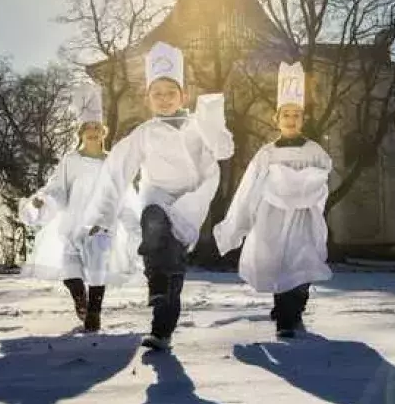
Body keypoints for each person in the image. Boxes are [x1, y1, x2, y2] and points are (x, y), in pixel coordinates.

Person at [84, 41, 233, 350]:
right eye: (157, 94)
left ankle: (162, 331)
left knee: (174, 272)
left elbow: (223, 150)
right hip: (157, 198)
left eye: (170, 93)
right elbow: (116, 170)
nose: (164, 99)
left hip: (189, 204)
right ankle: (155, 281)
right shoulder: (145, 132)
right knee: (153, 221)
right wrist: (101, 218)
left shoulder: (197, 127)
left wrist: (213, 121)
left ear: (183, 95)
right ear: (148, 98)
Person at [214, 61, 333, 338]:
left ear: (303, 118)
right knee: (279, 264)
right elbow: (249, 186)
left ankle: (293, 310)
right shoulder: (267, 153)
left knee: (301, 264)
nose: (291, 119)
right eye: (286, 114)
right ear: (276, 119)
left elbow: (322, 178)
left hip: (303, 217)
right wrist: (239, 222)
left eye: (296, 114)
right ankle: (284, 319)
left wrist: (305, 187)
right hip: (273, 217)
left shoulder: (314, 151)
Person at [19, 83, 139, 333]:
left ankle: (94, 312)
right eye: (88, 128)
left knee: (97, 265)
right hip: (74, 222)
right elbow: (58, 189)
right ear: (81, 133)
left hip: (101, 223)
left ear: (103, 132)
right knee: (70, 268)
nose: (93, 132)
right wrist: (45, 201)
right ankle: (80, 300)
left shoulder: (112, 162)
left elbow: (123, 194)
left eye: (97, 128)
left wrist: (133, 223)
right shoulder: (70, 161)